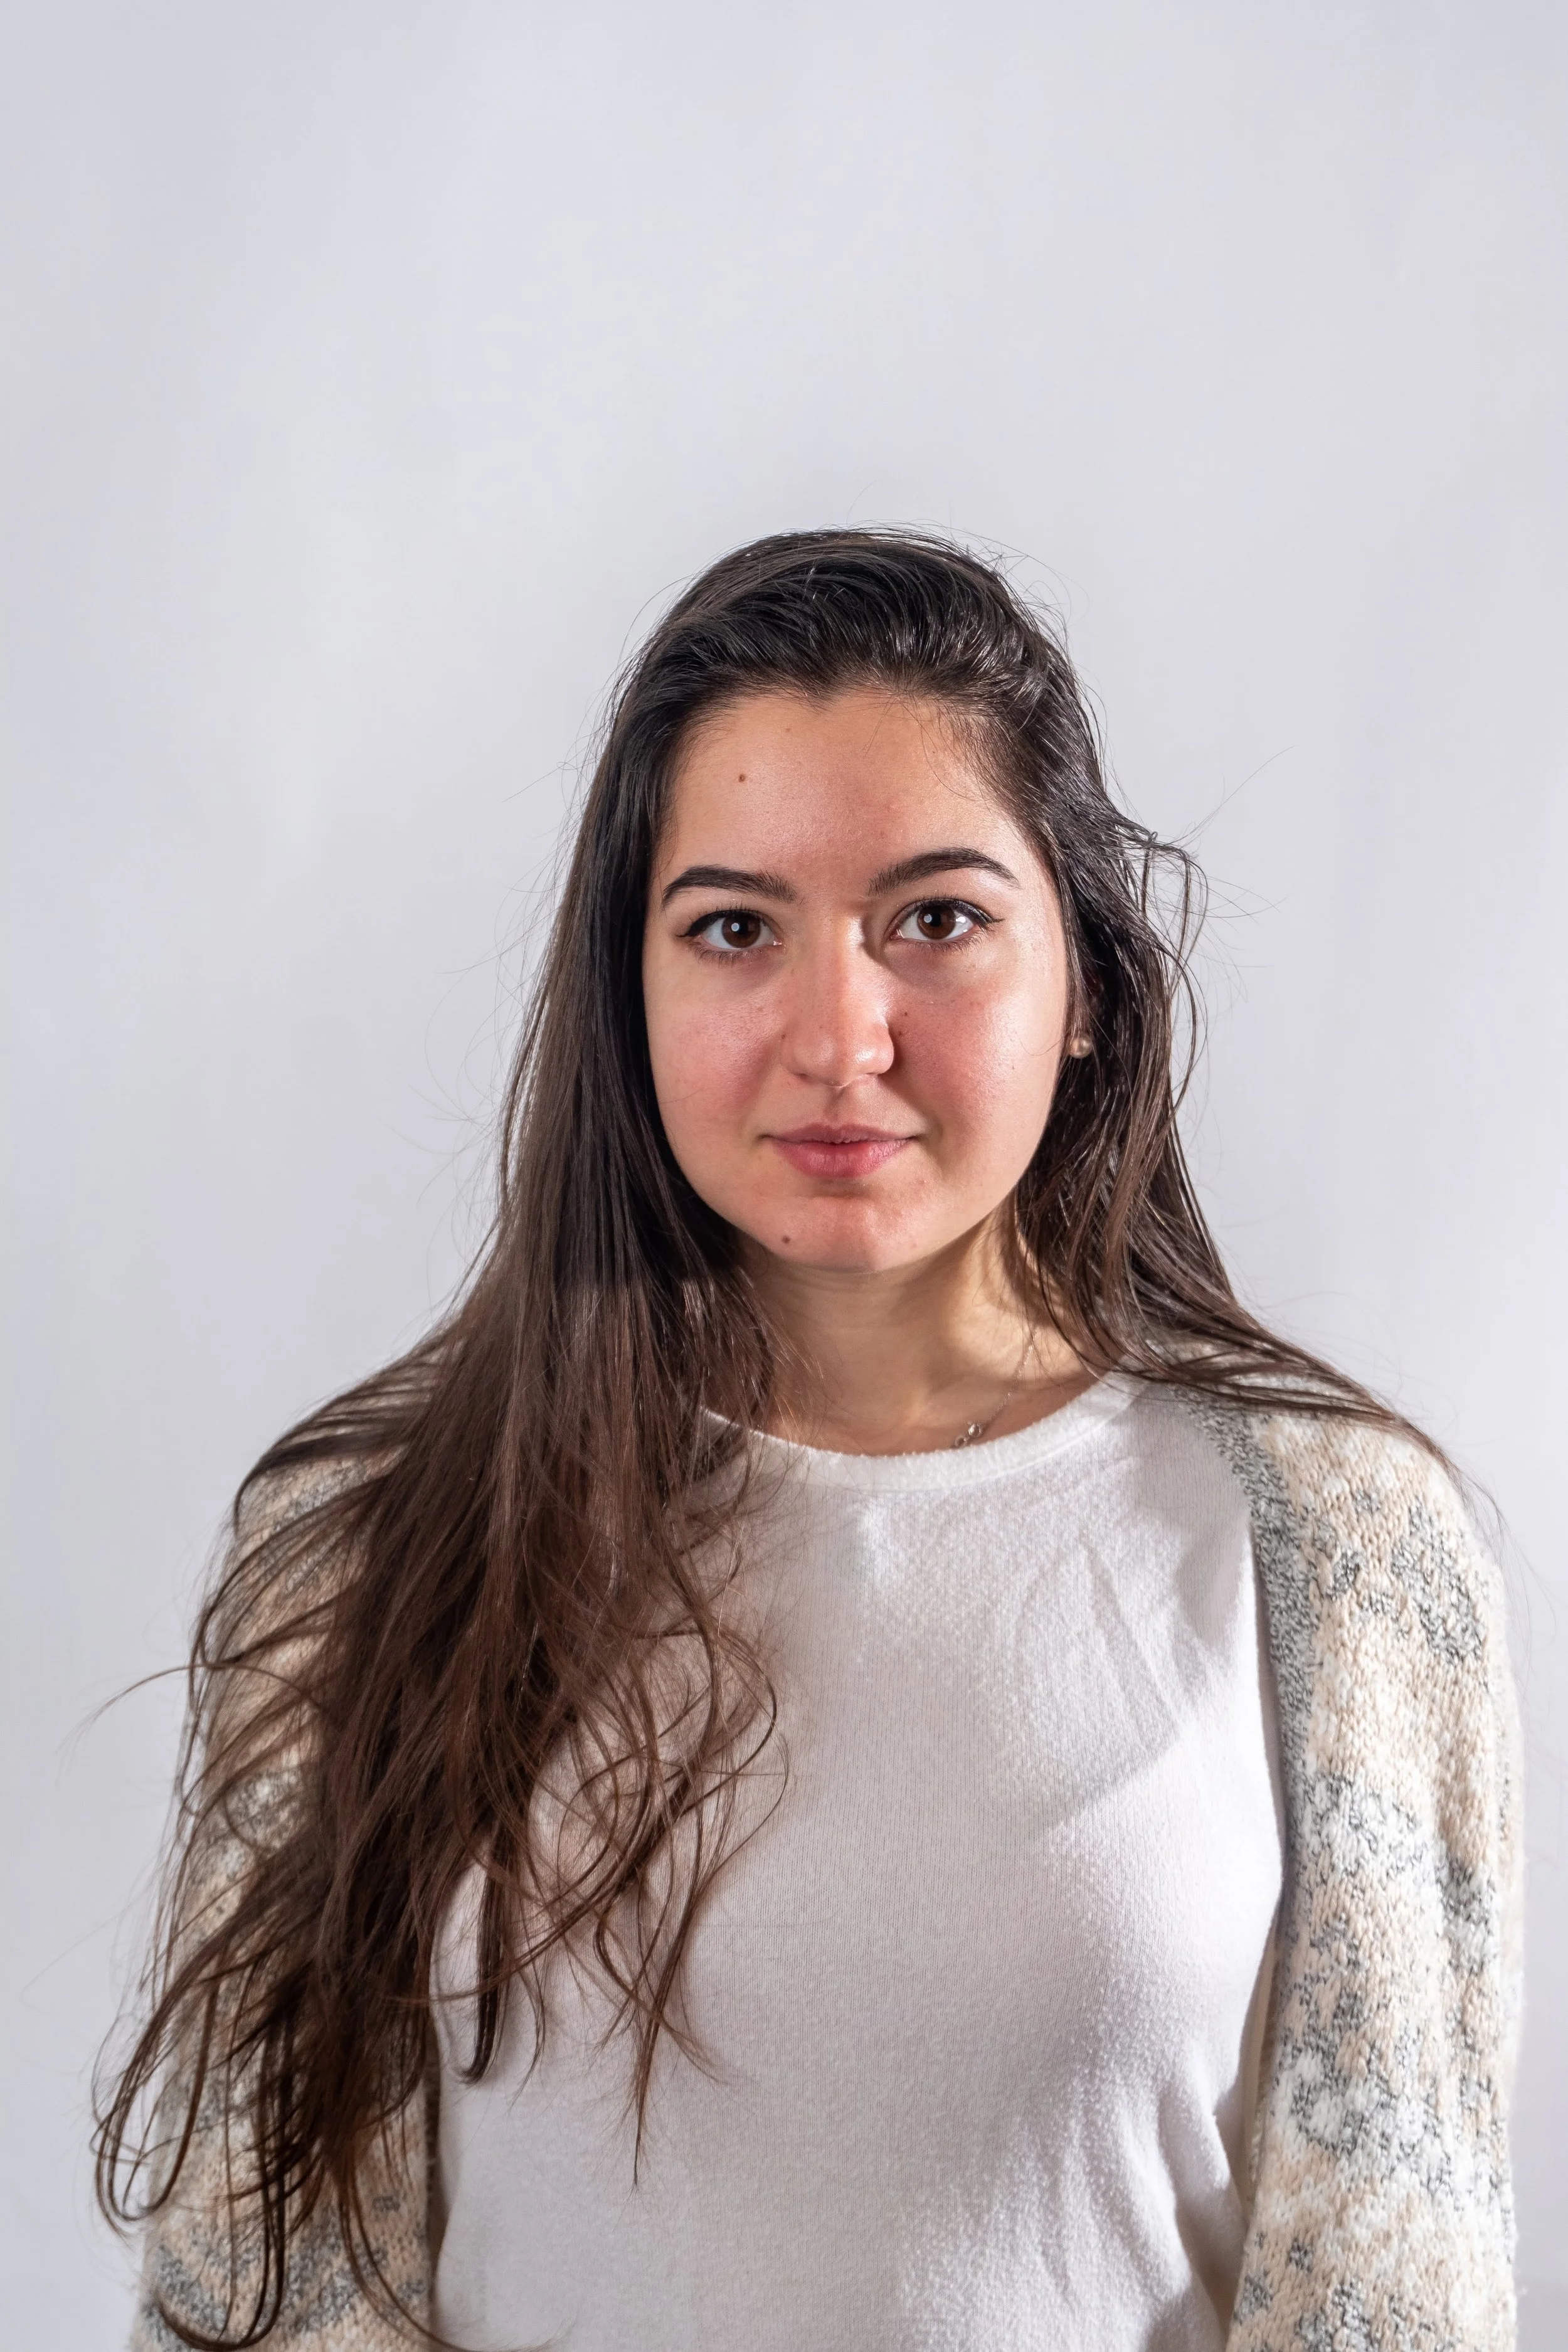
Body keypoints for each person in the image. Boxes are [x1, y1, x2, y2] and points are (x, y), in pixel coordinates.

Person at [99, 531, 1522, 2352]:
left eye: (934, 920)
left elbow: (1406, 2300)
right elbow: (258, 2288)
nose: (840, 1039)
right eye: (734, 929)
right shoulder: (363, 1546)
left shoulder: (1343, 1548)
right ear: (628, 993)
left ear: (1085, 981)